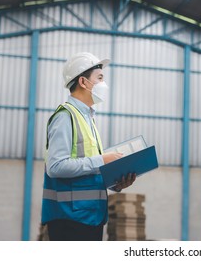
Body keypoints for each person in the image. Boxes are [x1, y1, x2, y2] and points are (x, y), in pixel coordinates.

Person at [41, 52, 136, 241]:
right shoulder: (65, 116)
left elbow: (89, 170)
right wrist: (102, 160)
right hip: (70, 219)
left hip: (90, 216)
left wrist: (115, 182)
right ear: (83, 82)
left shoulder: (88, 117)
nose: (104, 84)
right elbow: (55, 167)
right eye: (100, 78)